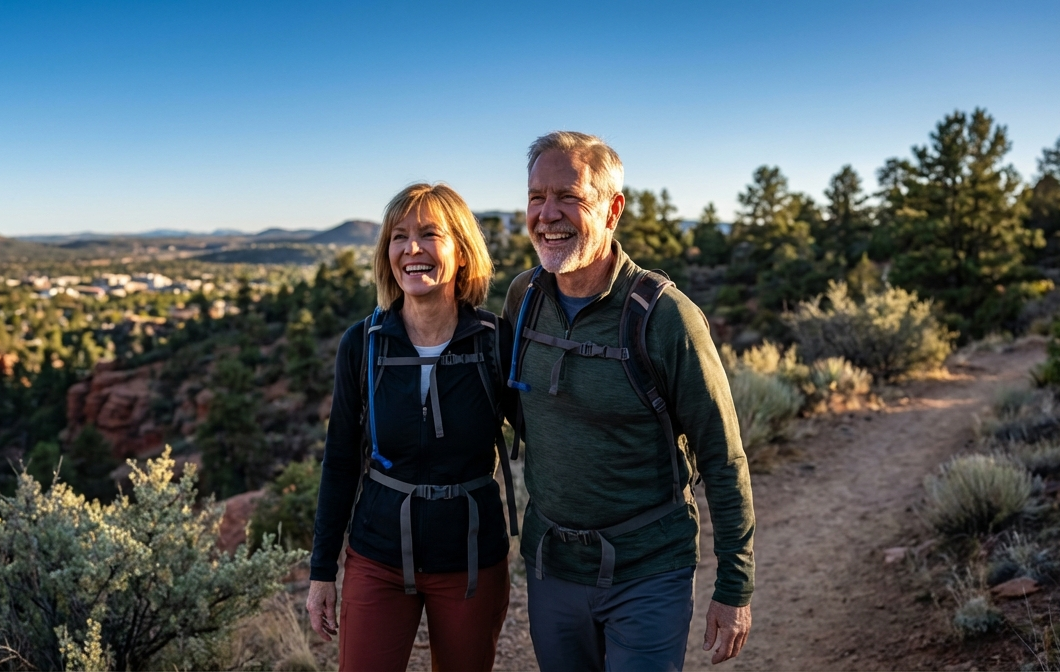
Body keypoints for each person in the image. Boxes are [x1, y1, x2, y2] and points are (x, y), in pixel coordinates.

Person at [506, 131, 755, 670]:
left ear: (613, 208)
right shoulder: (523, 298)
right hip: (552, 568)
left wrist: (735, 586)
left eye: (568, 196)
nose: (547, 214)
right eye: (535, 197)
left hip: (648, 570)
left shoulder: (667, 318)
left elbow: (722, 454)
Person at [307, 182, 518, 672]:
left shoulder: (495, 343)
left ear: (462, 252)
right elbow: (340, 460)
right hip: (377, 554)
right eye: (399, 237)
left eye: (429, 234)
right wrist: (321, 572)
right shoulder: (363, 344)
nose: (412, 249)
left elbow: (550, 441)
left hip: (470, 558)